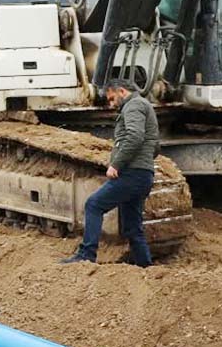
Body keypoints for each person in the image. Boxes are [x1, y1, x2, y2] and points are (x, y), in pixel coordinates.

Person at [61, 78, 158, 267]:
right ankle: (145, 266)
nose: (111, 104)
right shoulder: (144, 106)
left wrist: (117, 164)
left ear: (122, 91)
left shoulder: (134, 105)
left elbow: (135, 137)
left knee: (94, 205)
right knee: (132, 227)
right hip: (142, 175)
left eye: (112, 99)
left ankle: (86, 255)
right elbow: (155, 146)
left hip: (131, 174)